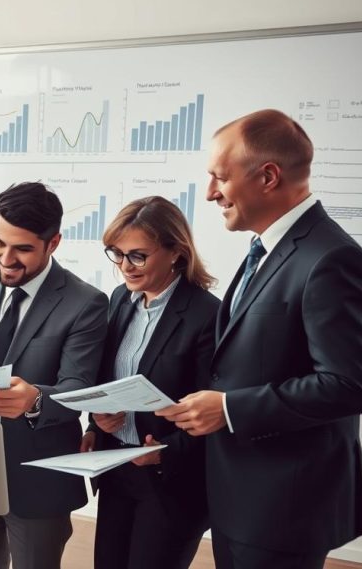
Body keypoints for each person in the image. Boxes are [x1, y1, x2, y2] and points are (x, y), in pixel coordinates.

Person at [157, 109, 362, 569]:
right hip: (240, 496)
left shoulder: (332, 259)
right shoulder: (267, 247)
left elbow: (349, 385)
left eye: (220, 177)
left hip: (283, 506)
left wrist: (228, 408)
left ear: (267, 177)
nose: (210, 193)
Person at [0, 181, 107, 569]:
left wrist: (35, 398)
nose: (6, 258)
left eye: (22, 248)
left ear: (53, 243)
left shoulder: (85, 303)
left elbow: (80, 389)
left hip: (39, 481)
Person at [79, 196, 219, 569]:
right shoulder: (120, 301)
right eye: (117, 254)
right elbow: (112, 380)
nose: (125, 266)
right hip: (117, 470)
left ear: (176, 251)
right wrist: (98, 422)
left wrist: (167, 450)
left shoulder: (207, 315)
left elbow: (215, 411)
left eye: (138, 256)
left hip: (170, 480)